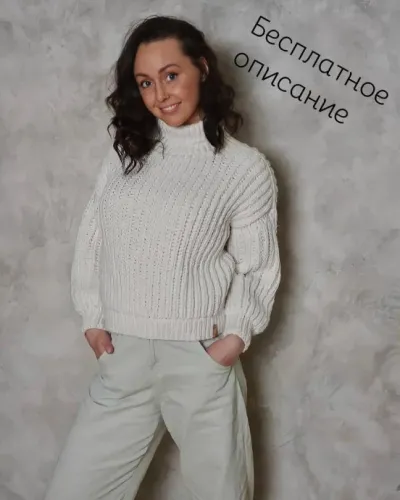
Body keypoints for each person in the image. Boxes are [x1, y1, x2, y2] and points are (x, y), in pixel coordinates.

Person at [44, 14, 281, 500]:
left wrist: (232, 340)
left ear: (203, 69)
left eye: (171, 75)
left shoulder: (245, 169)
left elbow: (256, 267)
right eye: (145, 82)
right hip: (123, 355)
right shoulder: (124, 157)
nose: (160, 94)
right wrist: (93, 320)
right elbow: (93, 241)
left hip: (198, 358)